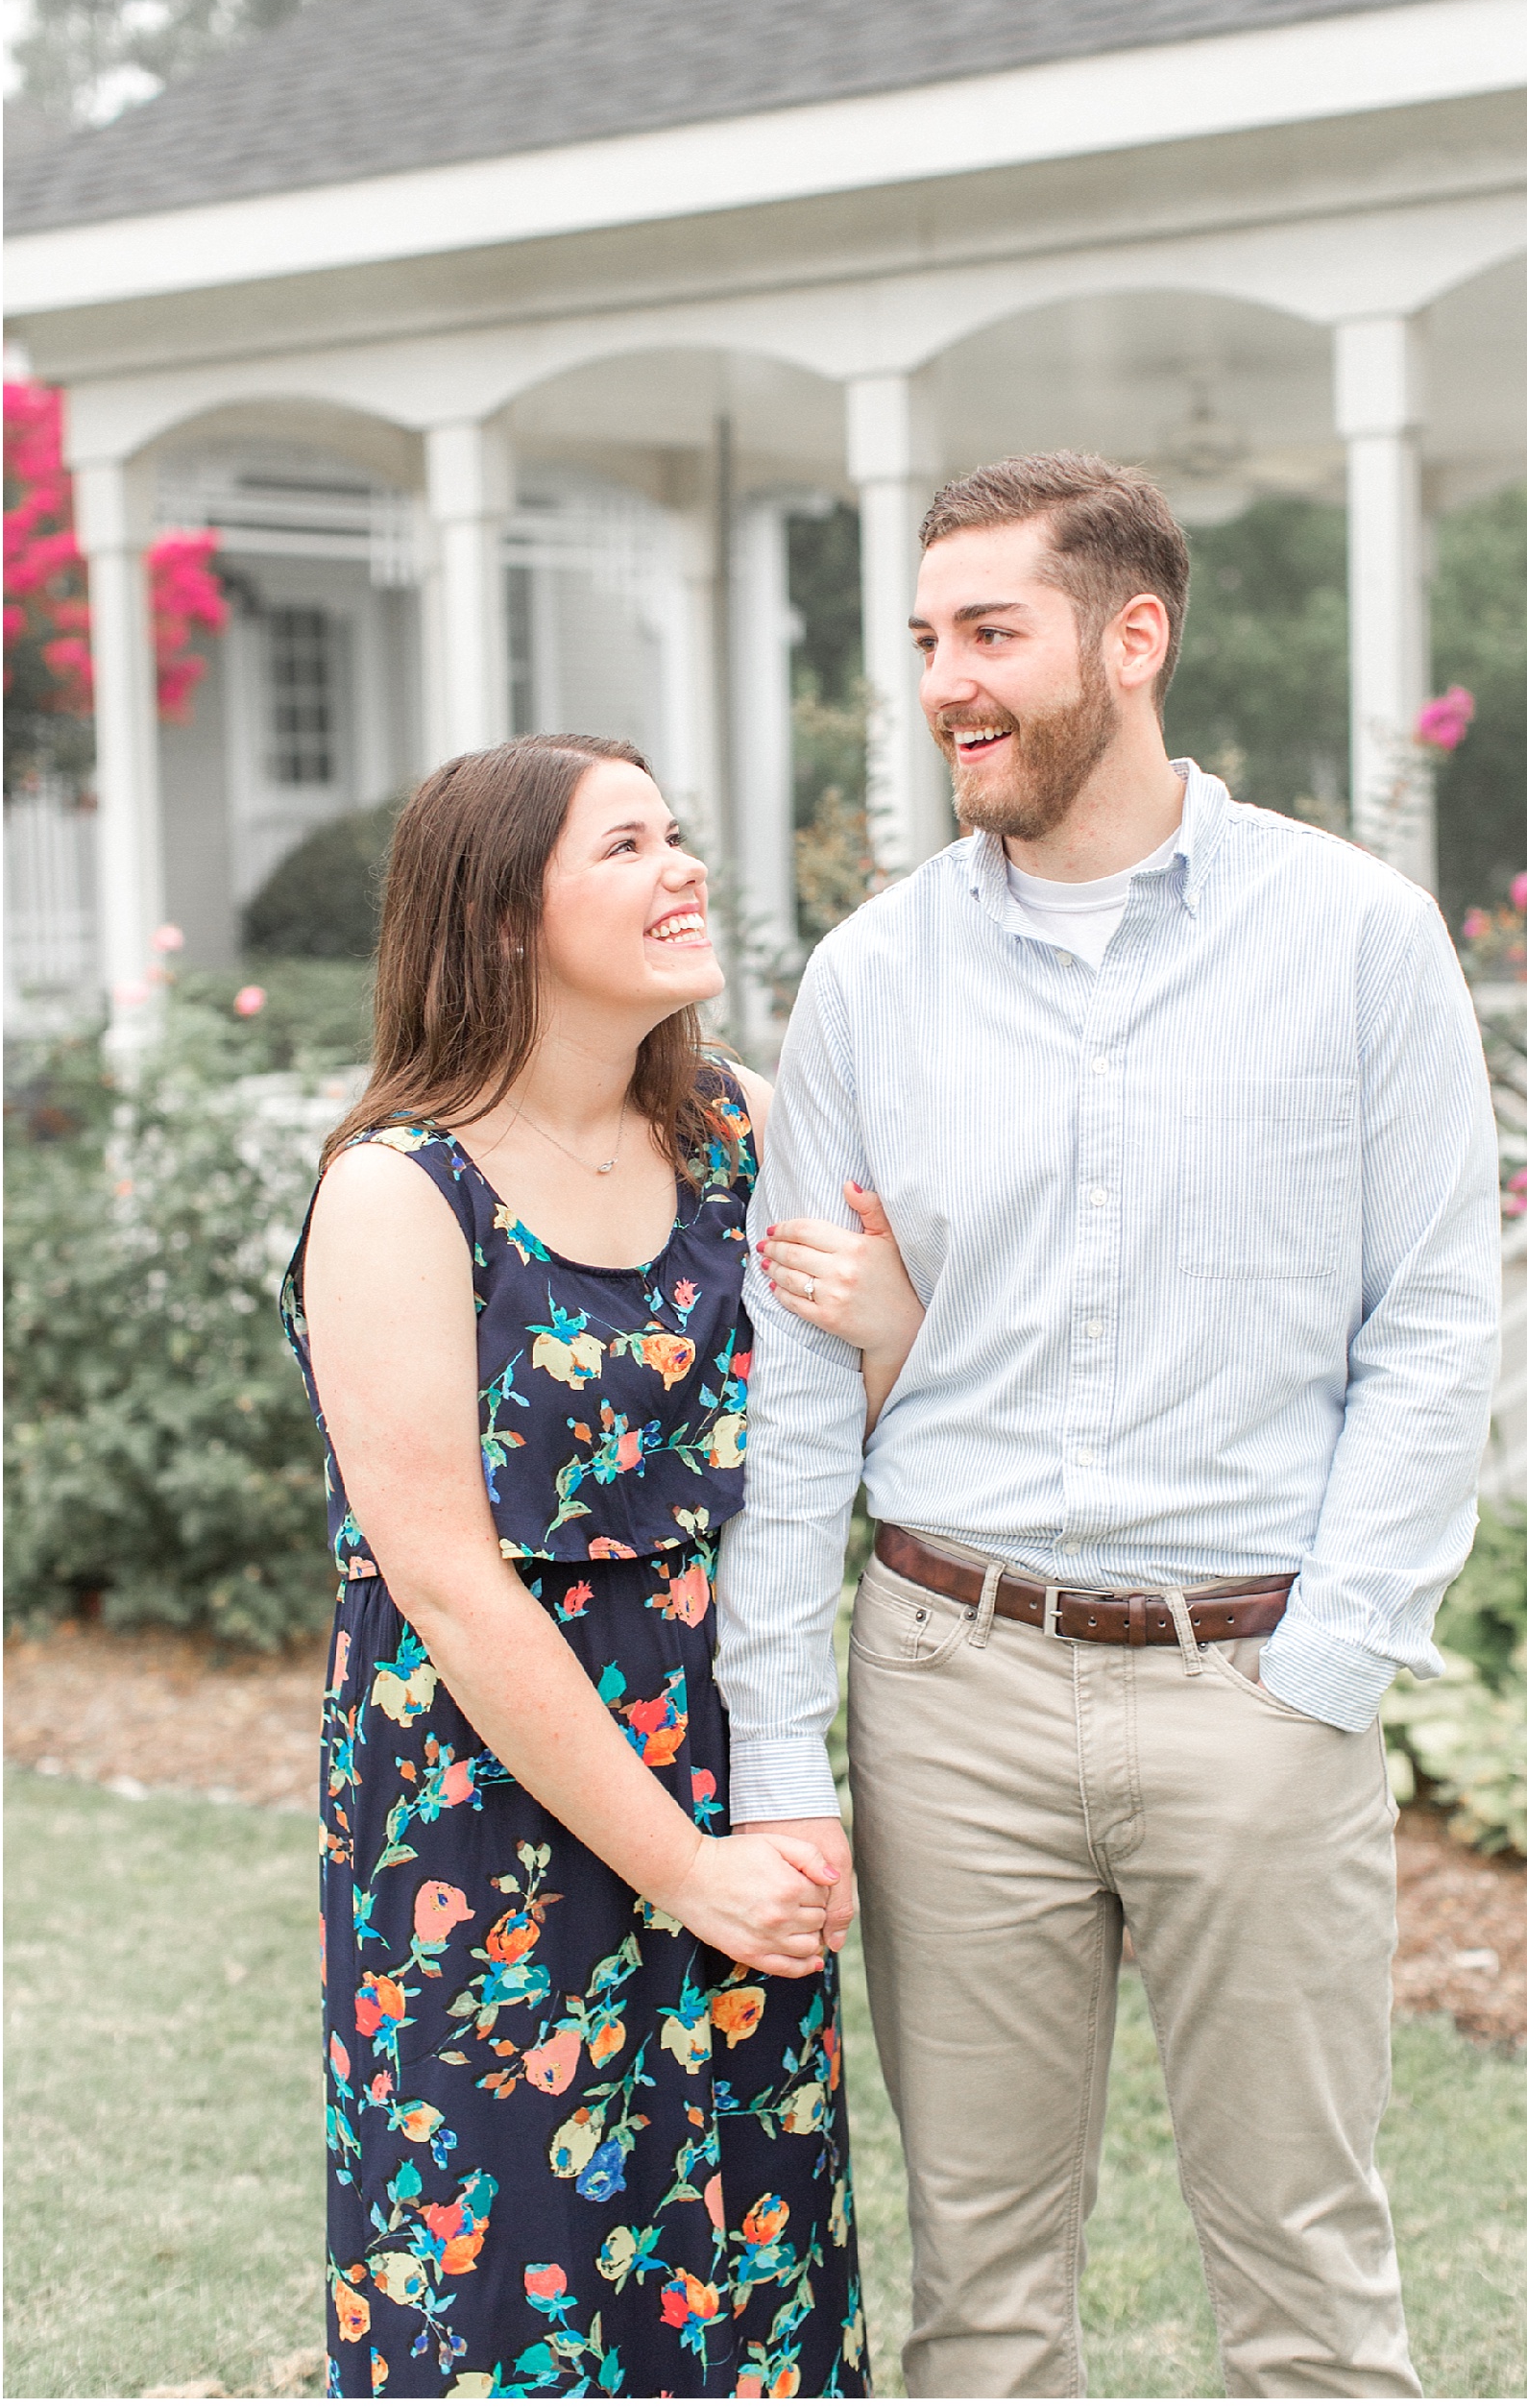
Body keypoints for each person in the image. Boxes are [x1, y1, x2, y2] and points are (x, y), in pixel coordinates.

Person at [716, 452, 1502, 2398]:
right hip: (949, 1692)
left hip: (1257, 1688)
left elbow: (1438, 1317)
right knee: (979, 2296)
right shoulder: (871, 982)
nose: (944, 683)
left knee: (1312, 2289)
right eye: (923, 640)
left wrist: (1325, 1664)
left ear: (1133, 637)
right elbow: (801, 1396)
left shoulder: (1357, 939)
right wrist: (779, 1748)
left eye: (990, 633)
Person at [282, 733, 918, 2399]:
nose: (682, 868)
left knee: (736, 2250)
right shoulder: (398, 1194)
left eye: (678, 833)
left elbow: (854, 1421)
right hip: (490, 1806)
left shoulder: (736, 1130)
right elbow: (449, 1586)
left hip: (729, 1758)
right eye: (626, 845)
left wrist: (887, 1319)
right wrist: (680, 1868)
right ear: (502, 920)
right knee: (503, 2283)